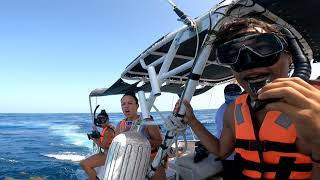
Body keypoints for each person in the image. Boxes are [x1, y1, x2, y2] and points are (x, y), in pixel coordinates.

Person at [176, 18, 320, 179]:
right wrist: (192, 121)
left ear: (290, 57)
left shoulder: (316, 103)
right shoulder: (234, 110)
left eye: (264, 47)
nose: (249, 62)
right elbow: (221, 151)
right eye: (232, 54)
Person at [115, 91, 166, 180]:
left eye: (130, 103)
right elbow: (116, 146)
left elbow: (159, 142)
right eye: (123, 104)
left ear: (137, 106)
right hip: (129, 160)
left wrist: (138, 139)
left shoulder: (147, 121)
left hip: (149, 159)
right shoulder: (120, 125)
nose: (126, 106)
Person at [214, 83, 242, 180]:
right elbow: (232, 136)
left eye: (235, 93)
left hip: (233, 155)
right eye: (230, 93)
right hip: (230, 156)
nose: (233, 95)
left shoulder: (235, 108)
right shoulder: (225, 110)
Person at [80, 110, 115, 180]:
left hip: (108, 155)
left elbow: (103, 146)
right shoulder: (107, 128)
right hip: (108, 153)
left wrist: (93, 139)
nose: (101, 122)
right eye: (100, 120)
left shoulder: (108, 131)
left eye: (103, 119)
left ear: (107, 120)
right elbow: (104, 139)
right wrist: (96, 131)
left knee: (84, 164)